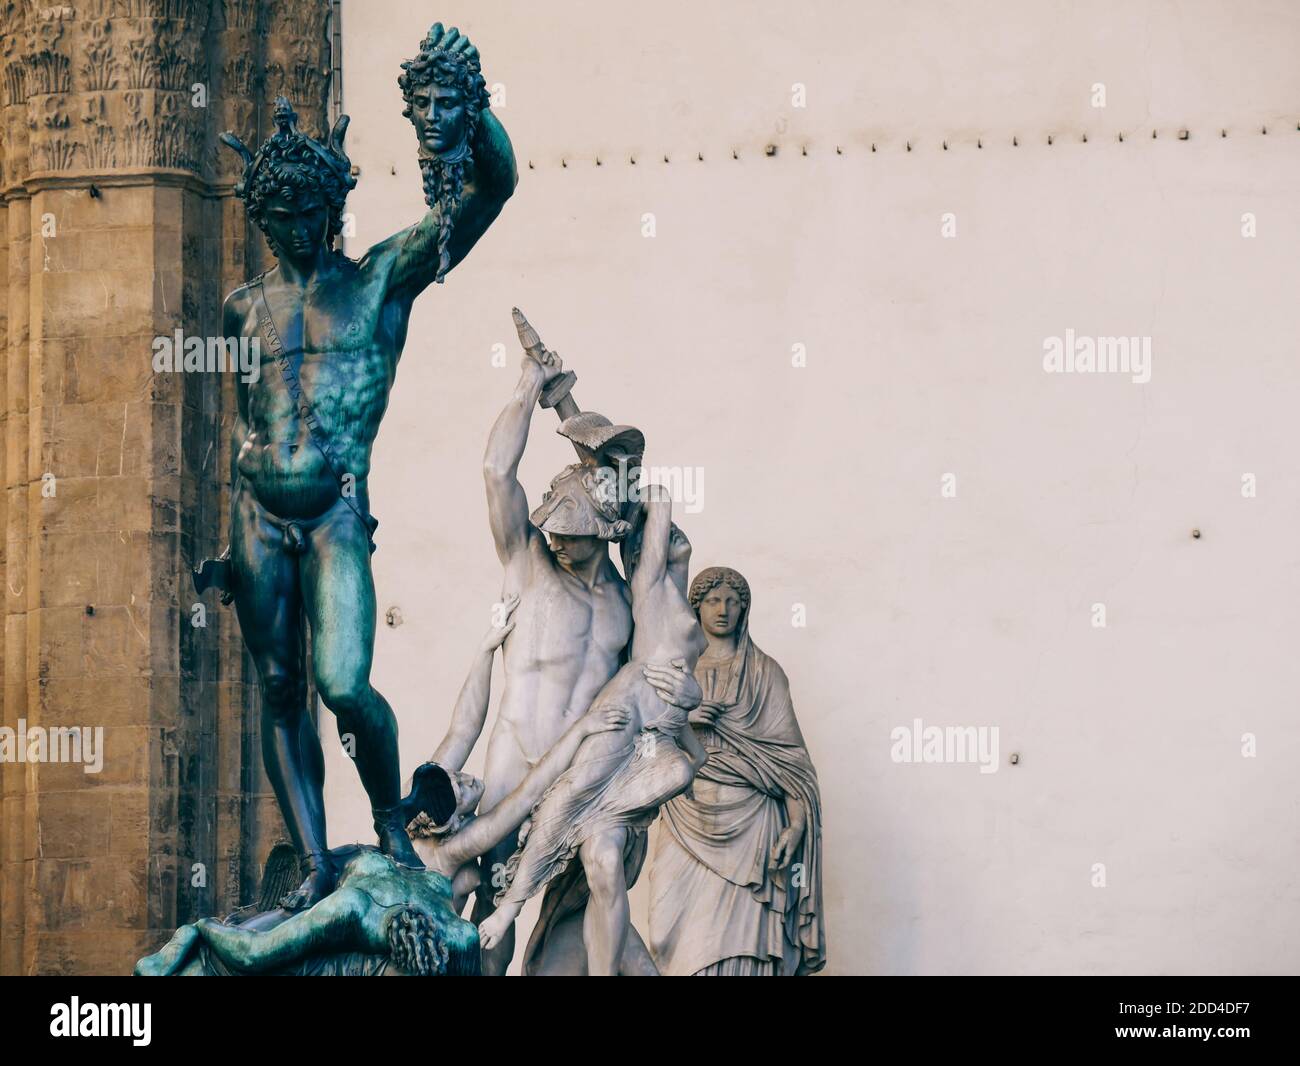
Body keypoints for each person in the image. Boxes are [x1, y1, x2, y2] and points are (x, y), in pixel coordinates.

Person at [212, 23, 517, 911]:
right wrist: (236, 546)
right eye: (282, 219)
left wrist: (464, 114)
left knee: (343, 685)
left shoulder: (379, 279)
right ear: (264, 219)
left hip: (338, 508)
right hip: (259, 517)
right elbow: (248, 418)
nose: (299, 230)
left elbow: (488, 192)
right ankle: (312, 861)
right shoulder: (242, 310)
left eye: (313, 214)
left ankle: (389, 817)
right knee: (277, 689)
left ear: (334, 209)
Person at [476, 345, 700, 972]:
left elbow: (665, 671)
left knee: (604, 874)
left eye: (569, 535)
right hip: (516, 760)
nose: (556, 542)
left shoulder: (629, 602)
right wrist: (529, 387)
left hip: (591, 769)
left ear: (601, 531)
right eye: (552, 531)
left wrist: (670, 686)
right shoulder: (528, 564)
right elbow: (497, 471)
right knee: (491, 913)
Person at [648, 567, 827, 975]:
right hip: (685, 813)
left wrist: (796, 825)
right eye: (713, 600)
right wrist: (686, 721)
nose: (723, 610)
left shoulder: (766, 674)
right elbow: (643, 746)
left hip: (754, 825)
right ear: (697, 607)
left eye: (732, 601)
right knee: (668, 929)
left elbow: (793, 765)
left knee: (743, 942)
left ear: (744, 608)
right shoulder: (674, 673)